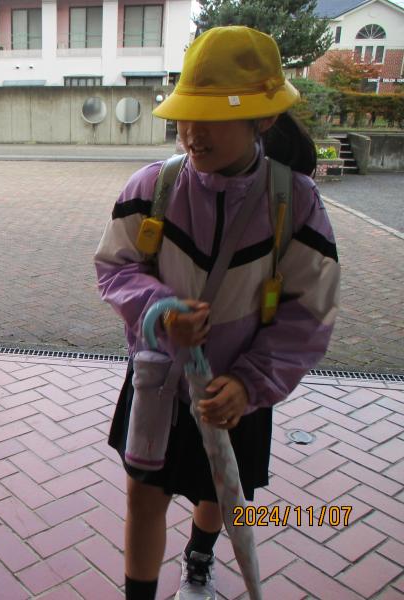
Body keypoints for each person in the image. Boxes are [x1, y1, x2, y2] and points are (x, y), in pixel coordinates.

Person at [93, 26, 340, 600]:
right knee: (143, 496)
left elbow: (309, 310)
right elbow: (115, 268)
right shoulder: (152, 187)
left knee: (219, 489)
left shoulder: (294, 202)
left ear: (263, 120)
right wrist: (158, 311)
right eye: (186, 114)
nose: (192, 132)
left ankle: (199, 557)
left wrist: (251, 383)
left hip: (237, 389)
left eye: (213, 116)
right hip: (159, 381)